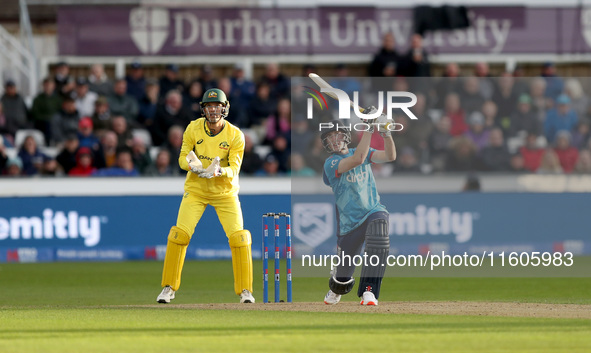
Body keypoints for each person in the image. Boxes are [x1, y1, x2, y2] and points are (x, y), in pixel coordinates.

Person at [157, 88, 253, 304]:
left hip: (225, 192)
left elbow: (235, 168)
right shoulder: (193, 128)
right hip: (197, 190)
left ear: (224, 108)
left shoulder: (235, 135)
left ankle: (245, 291)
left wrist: (218, 171)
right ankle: (168, 287)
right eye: (209, 106)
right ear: (203, 109)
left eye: (217, 106)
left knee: (239, 238)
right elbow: (182, 158)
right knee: (179, 235)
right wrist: (194, 166)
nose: (213, 110)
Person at [321, 115, 396, 306]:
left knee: (379, 237)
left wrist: (386, 133)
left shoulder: (363, 151)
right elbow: (357, 159)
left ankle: (369, 291)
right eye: (330, 137)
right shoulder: (330, 164)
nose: (334, 140)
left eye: (337, 135)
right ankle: (336, 285)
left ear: (346, 135)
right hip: (349, 224)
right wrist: (370, 127)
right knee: (342, 282)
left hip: (373, 210)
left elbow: (390, 156)